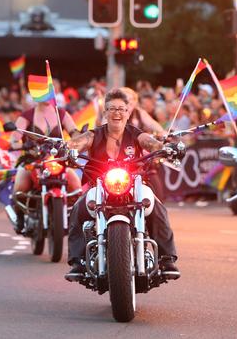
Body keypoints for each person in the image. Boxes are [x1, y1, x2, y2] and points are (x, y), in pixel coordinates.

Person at [64, 88, 179, 279]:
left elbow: (149, 143)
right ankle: (77, 261)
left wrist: (164, 148)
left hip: (133, 186)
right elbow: (80, 142)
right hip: (101, 187)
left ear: (127, 113)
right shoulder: (95, 134)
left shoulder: (135, 134)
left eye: (121, 109)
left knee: (157, 207)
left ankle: (167, 259)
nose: (117, 112)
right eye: (111, 108)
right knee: (78, 208)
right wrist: (68, 147)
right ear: (105, 113)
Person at [9, 98, 81, 234]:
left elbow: (74, 132)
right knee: (19, 189)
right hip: (33, 161)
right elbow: (14, 139)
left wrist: (79, 136)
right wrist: (21, 144)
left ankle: (74, 219)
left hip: (58, 160)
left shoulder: (61, 114)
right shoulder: (27, 115)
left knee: (77, 188)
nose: (45, 96)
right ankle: (20, 219)